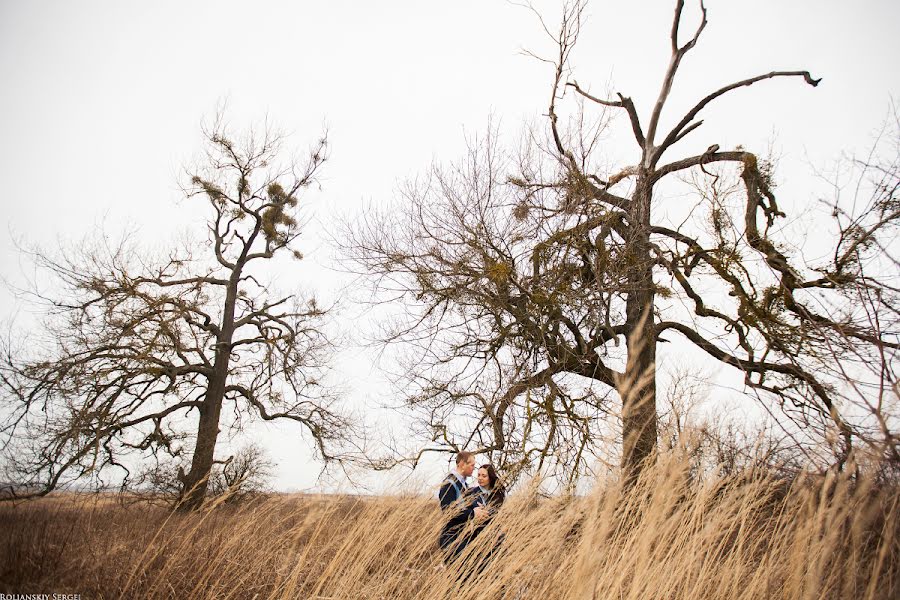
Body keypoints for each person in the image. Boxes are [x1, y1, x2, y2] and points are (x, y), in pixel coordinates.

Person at [437, 451, 483, 564]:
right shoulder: (449, 484)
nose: (474, 468)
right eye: (472, 465)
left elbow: (466, 505)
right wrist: (473, 513)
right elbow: (449, 511)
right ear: (462, 464)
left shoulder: (464, 485)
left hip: (462, 537)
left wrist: (479, 507)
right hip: (452, 538)